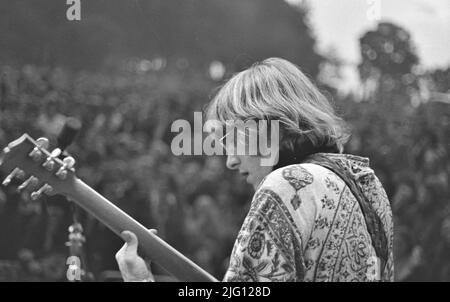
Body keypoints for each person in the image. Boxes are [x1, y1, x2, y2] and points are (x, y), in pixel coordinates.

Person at [115, 58, 394, 282]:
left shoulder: (287, 184)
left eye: (231, 139)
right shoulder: (366, 185)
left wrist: (140, 279)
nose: (231, 161)